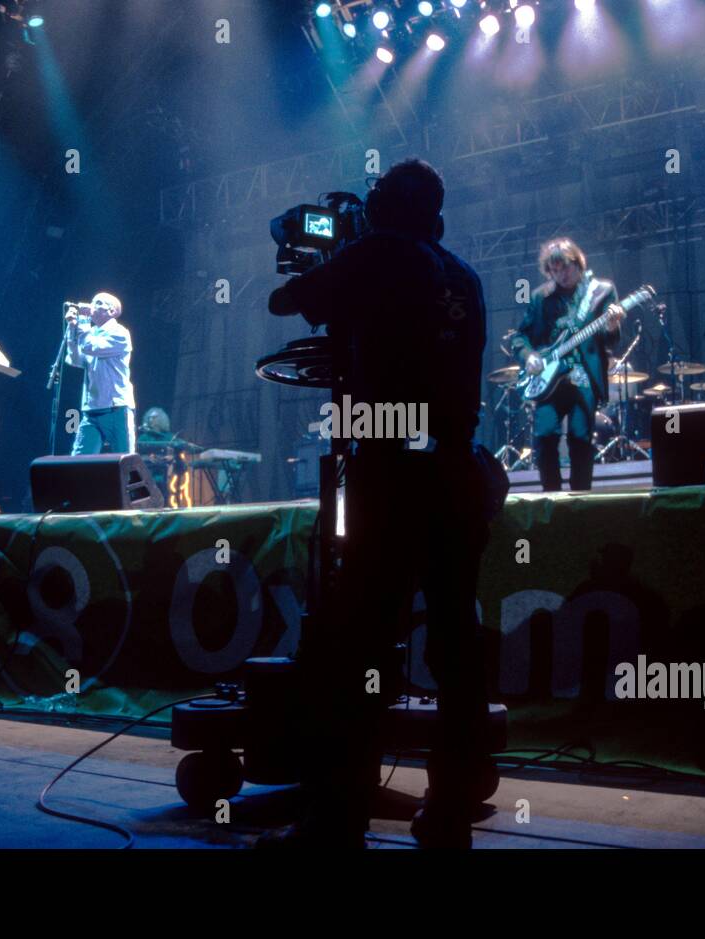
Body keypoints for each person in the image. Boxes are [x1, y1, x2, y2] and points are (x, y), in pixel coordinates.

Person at [265, 158, 494, 848]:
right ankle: (449, 813)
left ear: (382, 209)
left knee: (357, 642)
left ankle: (335, 822)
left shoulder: (375, 252)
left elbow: (287, 301)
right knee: (457, 644)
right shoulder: (465, 276)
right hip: (457, 471)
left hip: (391, 471)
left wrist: (346, 249)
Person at [512, 239, 624, 491]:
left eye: (565, 267)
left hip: (583, 373)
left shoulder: (601, 291)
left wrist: (613, 325)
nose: (560, 274)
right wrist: (529, 356)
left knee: (580, 438)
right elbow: (520, 337)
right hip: (549, 378)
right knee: (544, 436)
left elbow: (611, 341)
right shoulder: (540, 298)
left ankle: (579, 500)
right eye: (554, 270)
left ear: (578, 262)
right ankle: (551, 498)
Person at [64, 292, 135, 455]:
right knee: (79, 462)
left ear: (111, 311)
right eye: (92, 302)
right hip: (92, 410)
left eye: (98, 303)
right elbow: (76, 359)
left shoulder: (120, 333)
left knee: (124, 462)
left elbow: (90, 347)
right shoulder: (90, 332)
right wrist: (72, 327)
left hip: (116, 408)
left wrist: (81, 323)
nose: (92, 306)